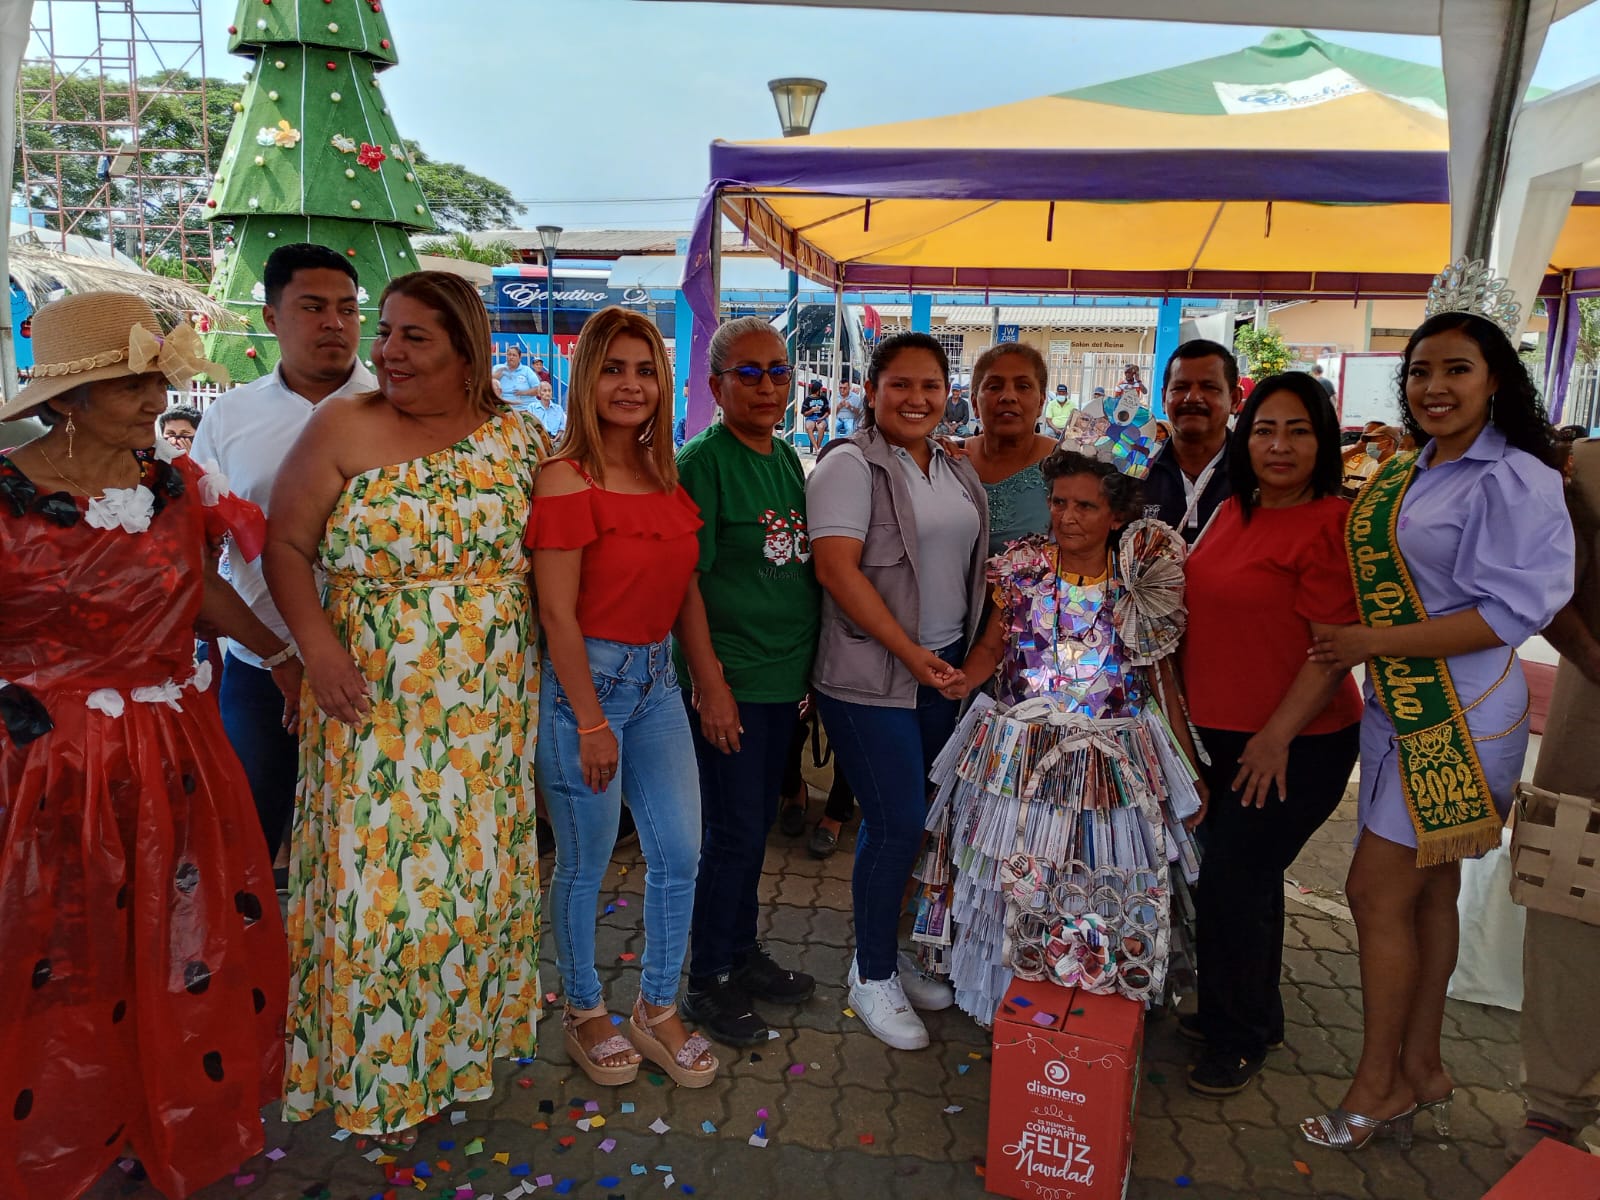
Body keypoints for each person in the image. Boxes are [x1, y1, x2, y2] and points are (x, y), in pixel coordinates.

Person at [0, 293, 290, 1200]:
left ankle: (155, 1107)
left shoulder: (171, 487)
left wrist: (283, 659)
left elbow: (199, 591)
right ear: (67, 400)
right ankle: (63, 1121)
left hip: (171, 757)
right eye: (132, 383)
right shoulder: (5, 499)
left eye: (157, 379)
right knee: (57, 945)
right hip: (43, 763)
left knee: (170, 940)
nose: (156, 398)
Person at [264, 271, 548, 1145]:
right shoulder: (340, 425)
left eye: (412, 336)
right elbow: (285, 544)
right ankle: (380, 1077)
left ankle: (457, 1054)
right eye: (384, 331)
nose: (385, 350)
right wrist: (317, 650)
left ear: (467, 349)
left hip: (487, 718)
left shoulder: (519, 439)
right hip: (370, 712)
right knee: (382, 899)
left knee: (469, 891)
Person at [1303, 297, 1573, 1151]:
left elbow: (1510, 612)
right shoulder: (1407, 468)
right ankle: (1423, 1067)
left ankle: (1376, 1084)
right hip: (1399, 705)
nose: (1435, 386)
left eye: (1458, 369)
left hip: (1461, 714)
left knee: (1372, 893)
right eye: (1421, 371)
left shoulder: (1514, 478)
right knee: (1428, 892)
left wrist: (1371, 642)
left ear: (1496, 381)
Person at [930, 449, 1206, 1021]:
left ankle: (1091, 1011)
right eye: (1059, 502)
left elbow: (1161, 676)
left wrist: (1187, 771)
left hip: (1112, 761)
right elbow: (992, 646)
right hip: (1023, 757)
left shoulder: (1137, 580)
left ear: (1116, 514)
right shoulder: (1021, 569)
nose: (1068, 516)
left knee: (1101, 876)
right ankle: (1012, 1004)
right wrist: (964, 681)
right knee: (1018, 876)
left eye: (1086, 505)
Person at [529, 305, 720, 1089]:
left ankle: (656, 1007)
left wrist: (708, 679)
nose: (631, 384)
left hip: (657, 683)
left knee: (680, 852)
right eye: (613, 368)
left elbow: (685, 589)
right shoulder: (564, 478)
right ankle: (583, 1009)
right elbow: (555, 614)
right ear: (586, 378)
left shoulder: (662, 476)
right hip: (588, 687)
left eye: (646, 370)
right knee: (585, 863)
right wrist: (589, 721)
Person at [1179, 372, 1363, 1095]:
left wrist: (1275, 736)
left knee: (1232, 881)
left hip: (1294, 743)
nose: (1279, 446)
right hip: (1219, 737)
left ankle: (1238, 1036)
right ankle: (1254, 1011)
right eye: (1264, 430)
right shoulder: (1234, 509)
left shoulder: (1331, 522)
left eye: (1298, 431)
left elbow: (1332, 651)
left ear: (1323, 442)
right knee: (1247, 881)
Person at [807, 331, 989, 1051]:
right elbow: (836, 571)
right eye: (900, 385)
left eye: (930, 386)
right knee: (895, 822)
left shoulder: (952, 466)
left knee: (922, 822)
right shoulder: (849, 466)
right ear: (871, 391)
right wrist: (911, 654)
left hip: (941, 670)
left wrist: (952, 660)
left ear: (948, 394)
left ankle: (885, 948)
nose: (917, 399)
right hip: (870, 677)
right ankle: (872, 973)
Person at [192, 242, 377, 879]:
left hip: (373, 667)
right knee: (246, 844)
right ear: (271, 317)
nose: (335, 323)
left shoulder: (393, 410)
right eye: (313, 307)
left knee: (368, 851)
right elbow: (202, 537)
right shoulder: (230, 416)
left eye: (348, 308)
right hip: (261, 665)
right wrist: (277, 656)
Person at [673, 316, 820, 1046]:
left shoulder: (787, 455)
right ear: (716, 385)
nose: (768, 386)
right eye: (750, 373)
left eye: (779, 371)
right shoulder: (702, 463)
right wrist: (711, 686)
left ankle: (741, 951)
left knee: (754, 825)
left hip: (781, 680)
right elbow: (685, 586)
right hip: (732, 682)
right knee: (731, 834)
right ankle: (706, 979)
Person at [1508, 434, 1600, 1163]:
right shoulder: (1588, 470)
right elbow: (1543, 580)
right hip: (1594, 729)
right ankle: (1557, 1102)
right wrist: (1592, 654)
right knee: (1572, 908)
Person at [963, 342, 1060, 555]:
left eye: (1023, 386)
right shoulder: (947, 462)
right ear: (974, 404)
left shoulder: (1066, 464)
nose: (1008, 396)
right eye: (994, 387)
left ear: (1041, 402)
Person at [1142, 339, 1240, 541]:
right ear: (1163, 398)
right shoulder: (1135, 473)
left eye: (1209, 387)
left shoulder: (1257, 474)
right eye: (1180, 387)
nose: (1192, 397)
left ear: (1234, 399)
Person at [493, 344, 541, 408]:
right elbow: (487, 385)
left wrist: (523, 393)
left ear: (520, 358)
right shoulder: (498, 368)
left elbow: (538, 389)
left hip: (526, 406)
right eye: (509, 355)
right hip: (505, 407)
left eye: (514, 355)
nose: (511, 357)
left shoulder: (527, 370)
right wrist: (496, 376)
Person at [801, 380, 830, 452]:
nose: (822, 391)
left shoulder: (823, 399)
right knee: (809, 427)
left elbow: (827, 412)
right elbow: (804, 413)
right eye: (821, 389)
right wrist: (812, 410)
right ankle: (816, 448)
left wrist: (822, 418)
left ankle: (818, 447)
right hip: (810, 418)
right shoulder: (808, 399)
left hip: (821, 417)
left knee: (821, 427)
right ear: (817, 390)